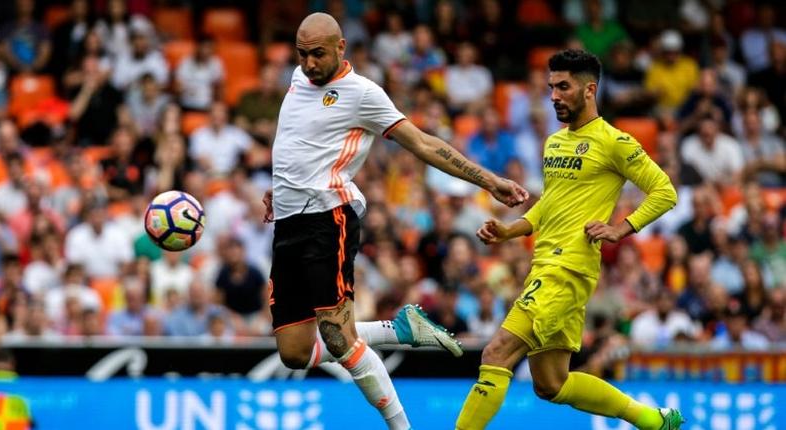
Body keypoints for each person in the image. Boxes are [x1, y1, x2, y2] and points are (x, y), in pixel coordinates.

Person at [263, 13, 527, 430]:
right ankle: (399, 328)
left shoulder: (362, 94)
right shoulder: (298, 78)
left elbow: (423, 143)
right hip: (288, 223)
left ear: (340, 47)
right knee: (294, 352)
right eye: (303, 54)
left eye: (318, 54)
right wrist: (280, 189)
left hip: (328, 218)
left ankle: (401, 426)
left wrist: (490, 180)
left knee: (337, 336)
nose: (310, 63)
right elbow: (298, 141)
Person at [455, 50, 684, 430]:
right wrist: (510, 230)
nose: (554, 96)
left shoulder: (615, 142)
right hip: (547, 266)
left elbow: (664, 191)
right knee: (551, 384)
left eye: (564, 87)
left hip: (567, 269)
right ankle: (652, 420)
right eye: (551, 87)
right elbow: (550, 205)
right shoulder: (554, 143)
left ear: (589, 89)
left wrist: (620, 228)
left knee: (495, 353)